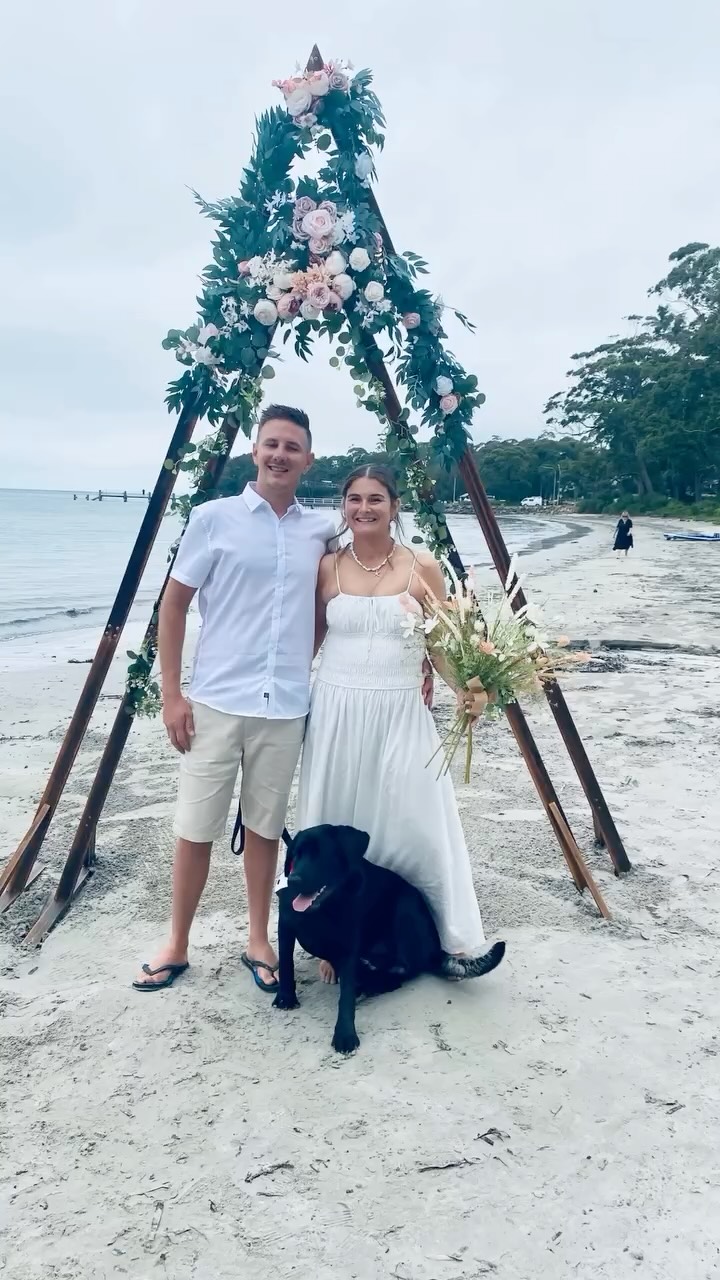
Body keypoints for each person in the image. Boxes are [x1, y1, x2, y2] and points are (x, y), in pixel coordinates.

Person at [133, 406, 336, 993]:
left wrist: (307, 657)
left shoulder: (319, 530)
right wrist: (172, 695)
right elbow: (172, 606)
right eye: (271, 443)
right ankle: (177, 941)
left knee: (266, 830)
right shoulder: (212, 519)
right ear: (255, 450)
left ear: (308, 458)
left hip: (284, 708)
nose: (280, 455)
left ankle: (257, 938)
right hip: (216, 701)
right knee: (196, 826)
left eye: (292, 446)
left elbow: (329, 605)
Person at [296, 464, 498, 981]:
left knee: (417, 821)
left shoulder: (421, 565)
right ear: (343, 506)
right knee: (337, 817)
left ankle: (445, 942)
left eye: (375, 499)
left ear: (394, 506)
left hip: (400, 708)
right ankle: (332, 939)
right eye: (354, 499)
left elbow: (443, 643)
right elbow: (310, 643)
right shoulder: (327, 567)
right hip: (336, 710)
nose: (364, 508)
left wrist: (465, 688)